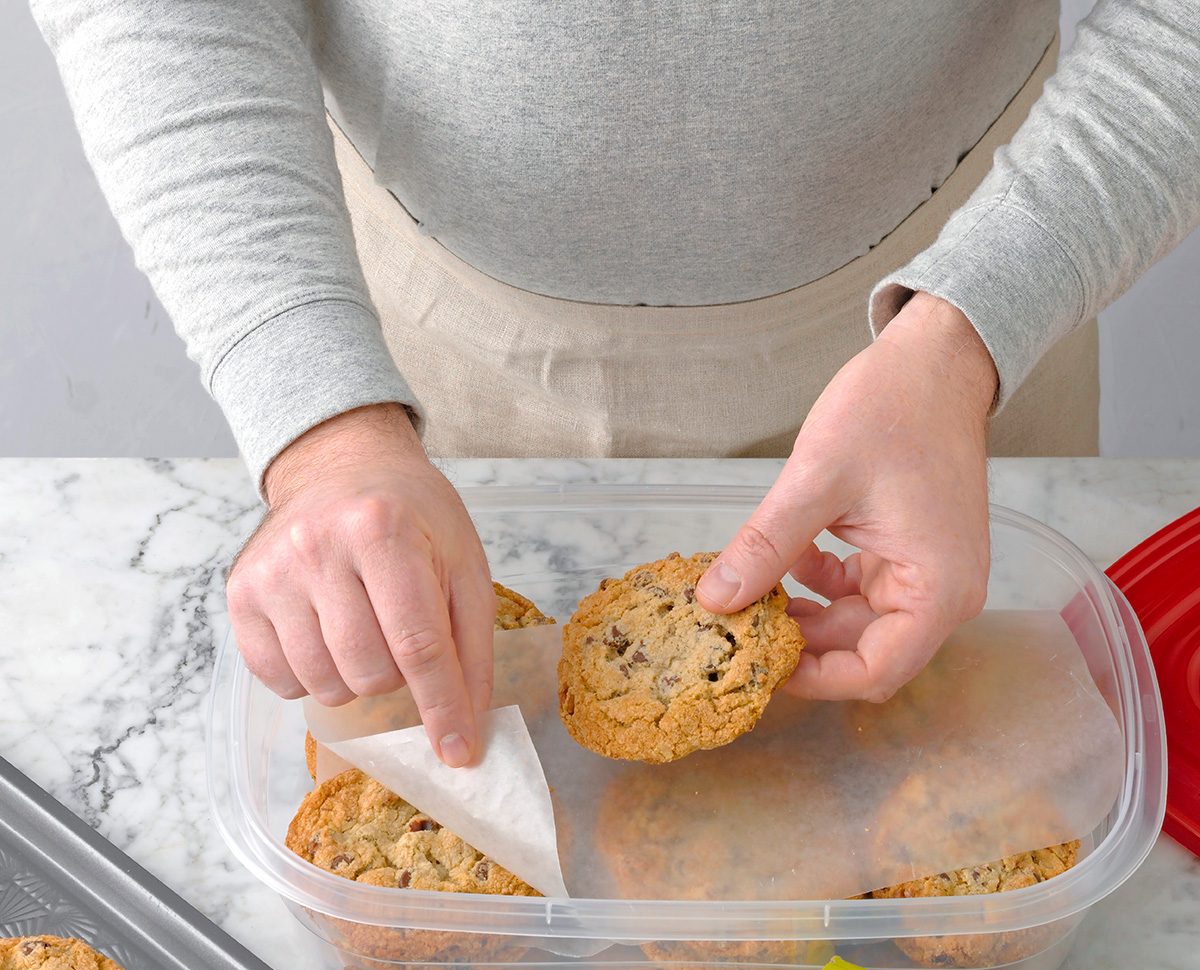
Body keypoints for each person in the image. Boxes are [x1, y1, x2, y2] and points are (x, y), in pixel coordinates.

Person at [33, 2, 1200, 767]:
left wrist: (965, 334)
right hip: (413, 380)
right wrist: (324, 438)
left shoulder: (967, 339)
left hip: (965, 331)